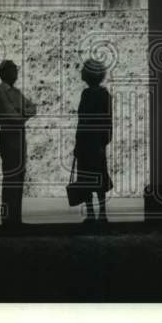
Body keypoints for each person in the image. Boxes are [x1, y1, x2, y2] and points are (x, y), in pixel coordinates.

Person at [0, 60, 36, 228]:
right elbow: (11, 116)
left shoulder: (15, 92)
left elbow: (32, 108)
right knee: (10, 177)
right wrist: (21, 114)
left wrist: (19, 113)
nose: (16, 74)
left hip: (19, 135)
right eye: (13, 71)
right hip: (9, 135)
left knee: (19, 176)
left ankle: (16, 218)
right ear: (5, 73)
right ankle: (8, 219)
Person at [74, 58, 113, 223]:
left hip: (88, 141)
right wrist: (104, 141)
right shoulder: (104, 95)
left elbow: (82, 120)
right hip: (95, 142)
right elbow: (107, 121)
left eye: (84, 69)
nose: (81, 71)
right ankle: (101, 213)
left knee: (87, 176)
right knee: (98, 176)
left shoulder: (89, 94)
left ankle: (92, 213)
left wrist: (78, 143)